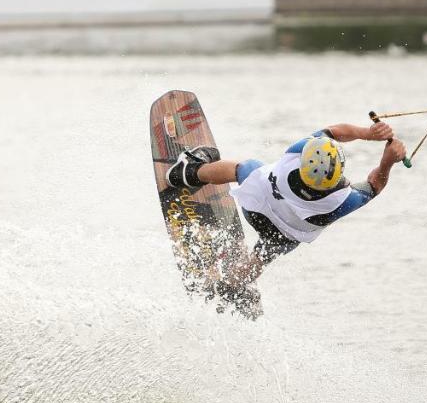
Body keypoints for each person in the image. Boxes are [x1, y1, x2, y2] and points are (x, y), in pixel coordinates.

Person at [165, 122, 407, 287]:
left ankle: (187, 173)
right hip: (281, 234)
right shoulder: (343, 201)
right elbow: (376, 184)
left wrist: (367, 133)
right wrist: (387, 162)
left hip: (255, 207)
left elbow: (333, 131)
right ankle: (234, 284)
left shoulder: (297, 153)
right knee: (265, 254)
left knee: (244, 168)